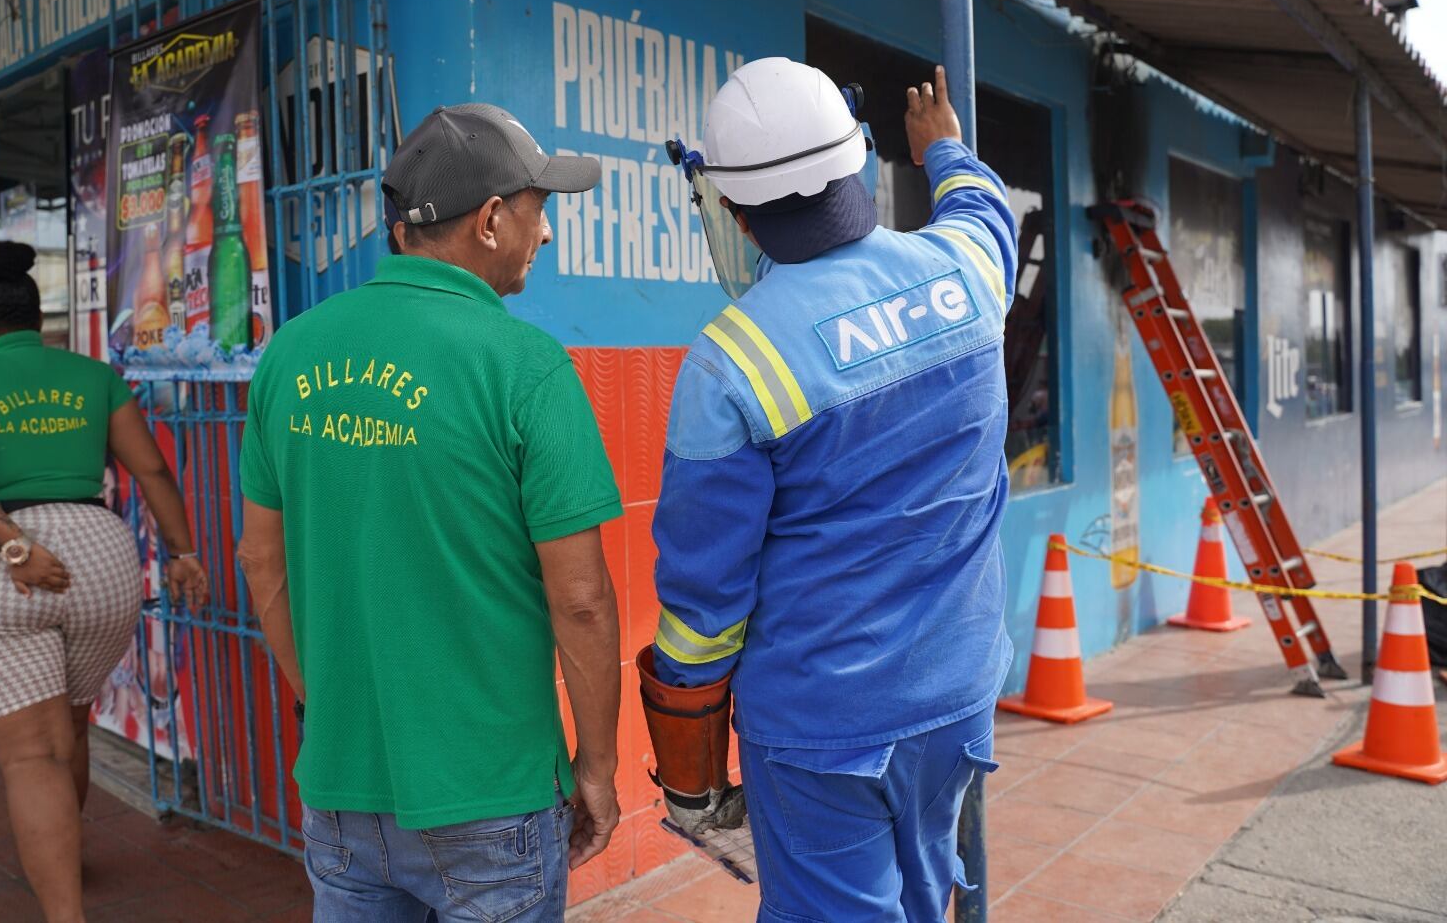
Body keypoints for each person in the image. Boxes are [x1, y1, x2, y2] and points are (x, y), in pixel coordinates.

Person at [640, 61, 1017, 922]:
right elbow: (981, 207)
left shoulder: (731, 362)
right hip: (957, 697)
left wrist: (692, 775)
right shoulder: (966, 270)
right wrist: (946, 149)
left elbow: (704, 604)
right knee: (930, 901)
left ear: (732, 210)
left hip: (821, 729)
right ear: (861, 163)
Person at [237, 103, 625, 922]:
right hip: (491, 794)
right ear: (490, 221)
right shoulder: (527, 367)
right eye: (537, 209)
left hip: (340, 786)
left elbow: (259, 561)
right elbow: (581, 599)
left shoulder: (291, 354)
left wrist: (323, 696)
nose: (544, 235)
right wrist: (596, 765)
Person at [0, 238, 207, 923]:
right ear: (39, 320)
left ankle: (64, 912)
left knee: (31, 756)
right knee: (68, 728)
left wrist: (14, 546)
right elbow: (154, 470)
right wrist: (184, 553)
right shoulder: (91, 375)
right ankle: (62, 854)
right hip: (100, 562)